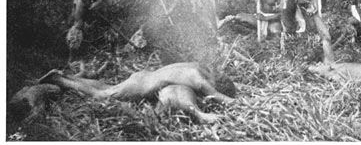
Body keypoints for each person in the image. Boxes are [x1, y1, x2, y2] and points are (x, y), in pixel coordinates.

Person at [36, 61, 236, 124]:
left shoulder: (196, 67)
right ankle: (59, 79)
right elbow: (217, 96)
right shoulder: (199, 79)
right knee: (103, 95)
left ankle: (69, 77)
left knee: (106, 88)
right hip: (141, 85)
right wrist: (205, 113)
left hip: (143, 78)